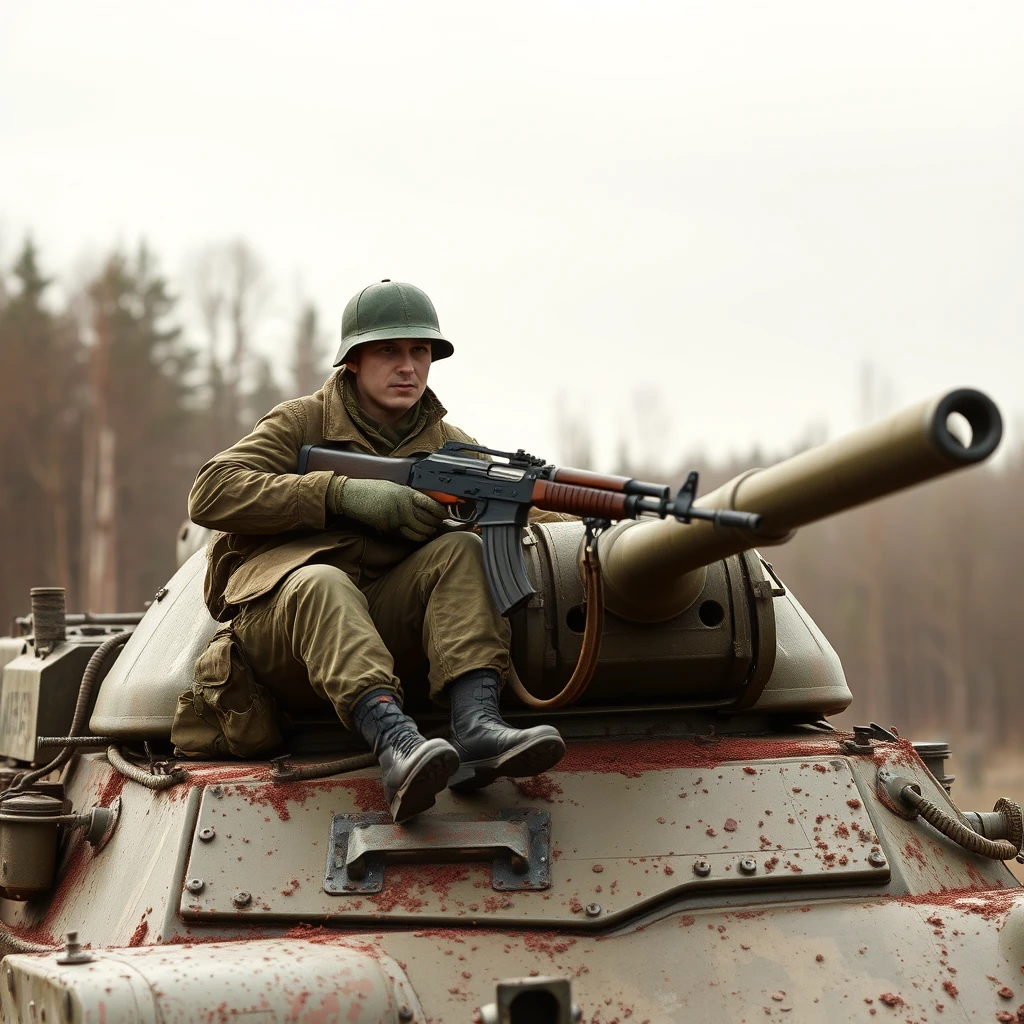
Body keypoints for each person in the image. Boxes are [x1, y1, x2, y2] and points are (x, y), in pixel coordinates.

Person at [186, 279, 566, 822]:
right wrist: (339, 493)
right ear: (353, 361)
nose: (408, 366)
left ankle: (478, 724)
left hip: (379, 622)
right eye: (389, 350)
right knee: (323, 581)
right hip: (282, 633)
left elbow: (523, 507)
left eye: (420, 351)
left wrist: (625, 520)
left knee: (461, 547)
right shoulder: (301, 423)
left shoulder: (447, 444)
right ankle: (395, 742)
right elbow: (213, 489)